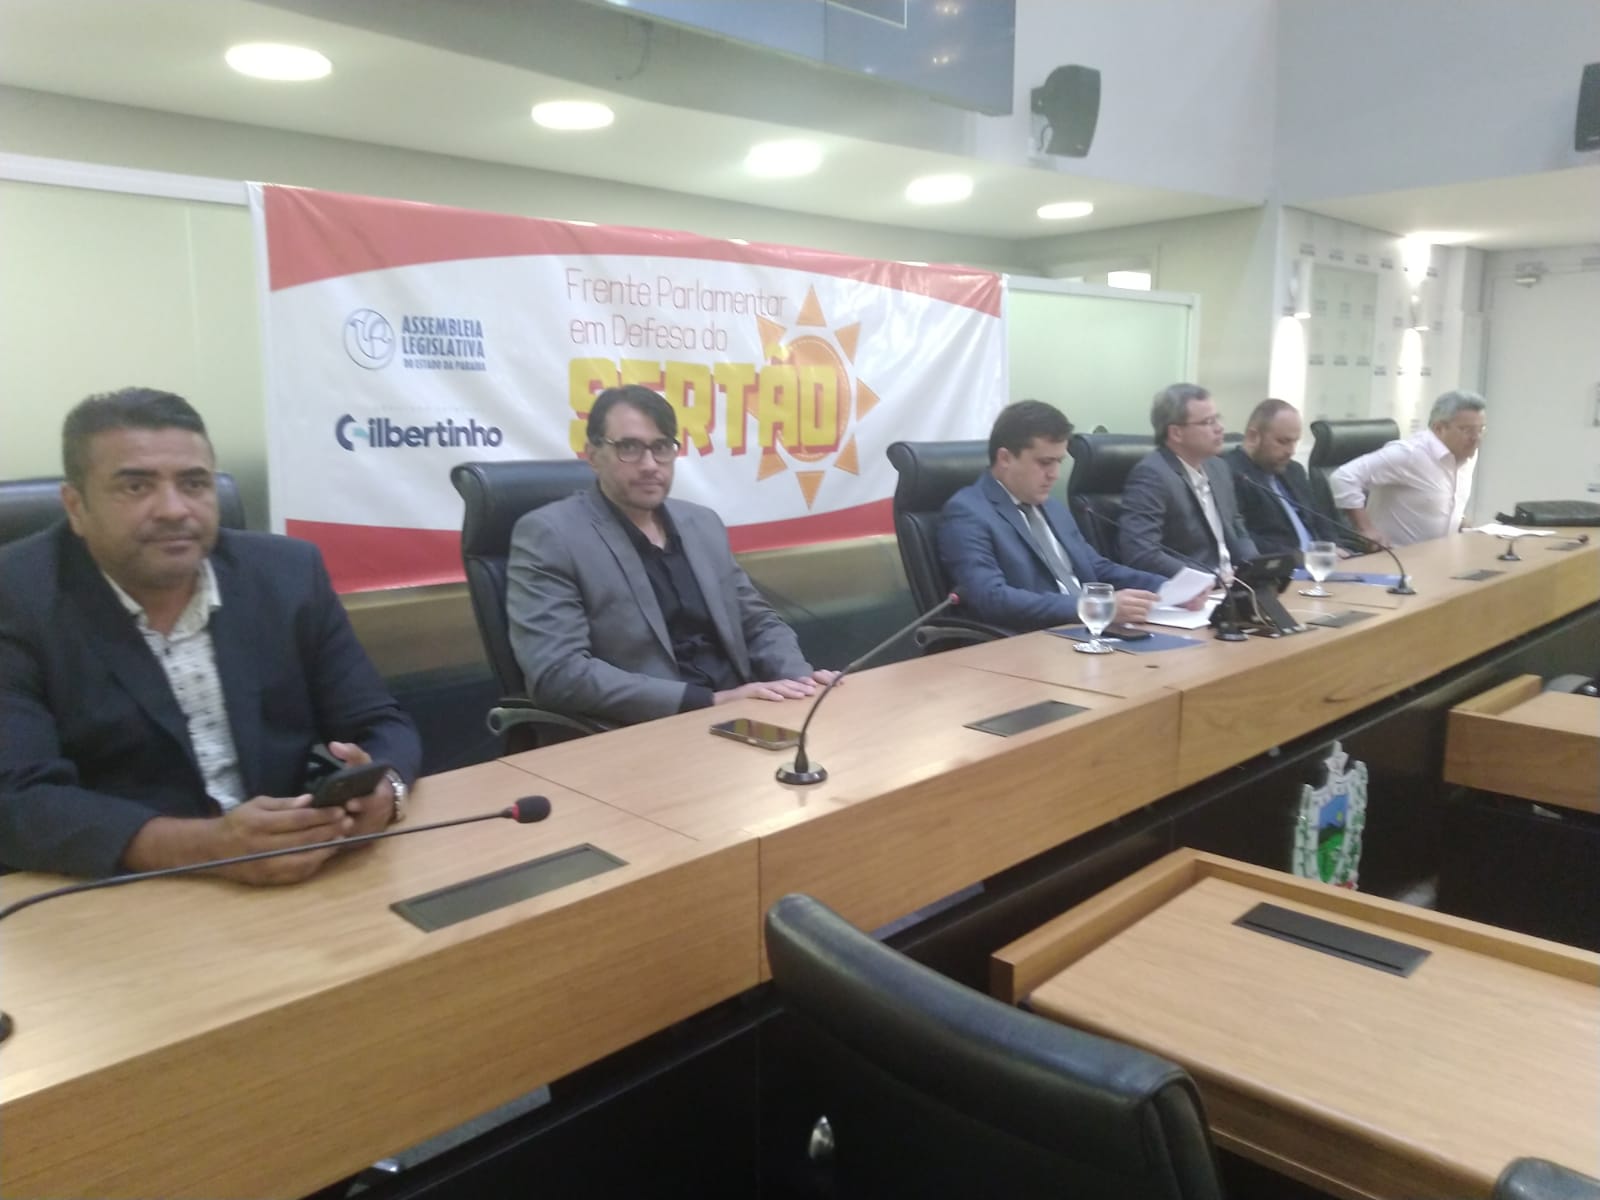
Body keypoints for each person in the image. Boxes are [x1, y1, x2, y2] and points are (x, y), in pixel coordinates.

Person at [0, 388, 421, 882]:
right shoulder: (17, 597)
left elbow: (379, 722)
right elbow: (18, 798)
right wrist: (209, 847)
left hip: (301, 870)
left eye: (194, 483)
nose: (174, 509)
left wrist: (385, 790)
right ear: (75, 506)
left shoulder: (287, 573)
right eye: (136, 487)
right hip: (120, 890)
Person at [506, 385, 835, 726]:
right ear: (592, 455)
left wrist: (799, 681)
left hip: (744, 711)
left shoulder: (702, 524)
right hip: (652, 726)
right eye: (629, 448)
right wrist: (710, 701)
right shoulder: (551, 535)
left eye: (661, 447)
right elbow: (558, 673)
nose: (650, 465)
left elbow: (757, 623)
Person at [938, 400, 1170, 632]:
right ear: (1005, 458)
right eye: (1045, 463)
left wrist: (1168, 589)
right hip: (1036, 638)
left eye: (1059, 462)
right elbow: (990, 597)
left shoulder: (1051, 506)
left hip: (1089, 631)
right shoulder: (967, 512)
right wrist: (1090, 607)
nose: (1055, 475)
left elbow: (1097, 568)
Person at [1118, 383, 1259, 578]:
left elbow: (1236, 527)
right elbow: (1141, 552)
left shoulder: (1218, 467)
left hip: (1233, 584)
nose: (1220, 428)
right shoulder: (1152, 475)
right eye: (1208, 422)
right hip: (1196, 589)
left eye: (1217, 418)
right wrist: (1209, 580)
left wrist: (1255, 569)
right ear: (1176, 433)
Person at [1330, 391, 1486, 547]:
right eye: (1468, 430)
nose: (1476, 438)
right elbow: (1343, 477)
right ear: (1439, 428)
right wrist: (1365, 529)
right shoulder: (1409, 454)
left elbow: (1439, 497)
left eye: (1481, 430)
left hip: (1441, 553)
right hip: (1396, 556)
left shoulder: (1466, 454)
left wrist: (1457, 519)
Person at [1223, 398, 1359, 556]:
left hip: (1320, 562)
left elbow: (1321, 522)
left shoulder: (1294, 470)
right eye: (1283, 441)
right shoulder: (1231, 474)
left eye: (1294, 442)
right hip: (1283, 565)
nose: (1291, 451)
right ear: (1253, 437)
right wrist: (1299, 557)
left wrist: (1333, 548)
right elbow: (1242, 538)